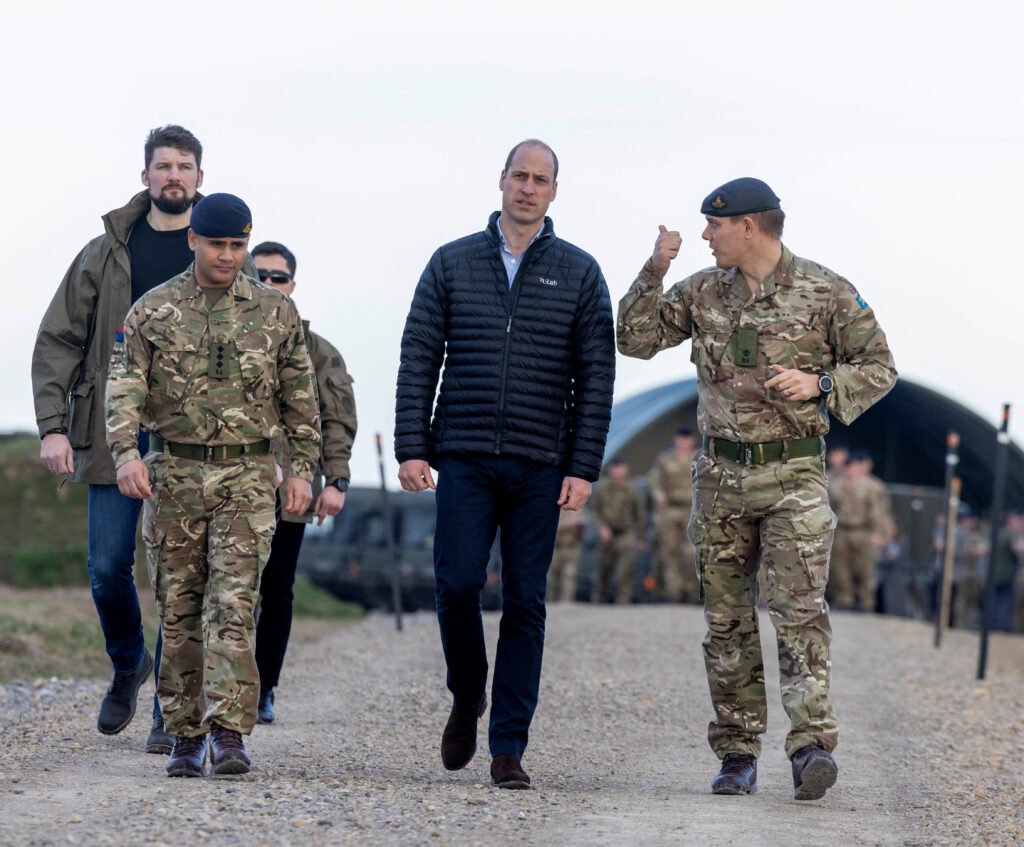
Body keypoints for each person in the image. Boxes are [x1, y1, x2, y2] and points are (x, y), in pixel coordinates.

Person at [617, 177, 896, 800]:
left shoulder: (827, 291)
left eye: (715, 226)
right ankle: (737, 752)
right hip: (719, 479)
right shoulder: (700, 291)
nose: (705, 236)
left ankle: (810, 749)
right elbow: (633, 340)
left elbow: (879, 367)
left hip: (794, 475)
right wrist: (653, 269)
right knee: (726, 622)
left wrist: (821, 384)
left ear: (751, 227)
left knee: (799, 614)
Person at [394, 139, 615, 789]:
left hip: (541, 464)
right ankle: (468, 694)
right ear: (501, 180)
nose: (527, 187)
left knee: (525, 598)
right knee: (458, 584)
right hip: (462, 452)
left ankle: (508, 745)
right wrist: (413, 444)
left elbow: (595, 376)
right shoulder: (452, 262)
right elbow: (418, 354)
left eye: (540, 179)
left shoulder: (579, 272)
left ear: (554, 191)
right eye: (519, 175)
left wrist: (583, 466)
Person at [30, 125, 249, 754]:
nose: (173, 176)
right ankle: (130, 663)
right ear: (146, 175)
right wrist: (52, 427)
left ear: (200, 178)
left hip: (191, 438)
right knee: (107, 570)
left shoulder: (215, 251)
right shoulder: (105, 252)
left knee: (181, 579)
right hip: (110, 436)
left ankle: (168, 710)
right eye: (163, 166)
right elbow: (58, 340)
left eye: (184, 166)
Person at [105, 194, 320, 777]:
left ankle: (228, 732)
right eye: (218, 244)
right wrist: (127, 454)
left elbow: (300, 399)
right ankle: (183, 733)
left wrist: (301, 469)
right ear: (194, 240)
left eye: (238, 245)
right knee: (179, 608)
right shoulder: (153, 310)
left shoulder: (277, 312)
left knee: (233, 603)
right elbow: (123, 387)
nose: (228, 256)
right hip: (174, 474)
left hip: (248, 477)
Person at [250, 241, 358, 724]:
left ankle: (263, 688)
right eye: (262, 275)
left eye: (279, 277)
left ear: (292, 284)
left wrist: (335, 481)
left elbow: (338, 421)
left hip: (291, 488)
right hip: (231, 482)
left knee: (276, 589)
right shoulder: (227, 336)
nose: (270, 284)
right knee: (220, 590)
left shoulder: (318, 352)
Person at [829, 450, 892, 611]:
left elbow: (878, 512)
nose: (851, 470)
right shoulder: (836, 485)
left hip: (864, 531)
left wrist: (880, 534)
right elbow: (830, 507)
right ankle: (845, 599)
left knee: (865, 568)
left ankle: (866, 601)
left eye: (854, 466)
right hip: (842, 530)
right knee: (841, 567)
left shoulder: (871, 486)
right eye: (848, 466)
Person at [648, 427, 699, 602]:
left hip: (692, 510)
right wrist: (658, 495)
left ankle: (691, 591)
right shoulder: (665, 459)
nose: (684, 442)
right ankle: (674, 593)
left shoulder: (699, 458)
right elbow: (653, 481)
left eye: (687, 439)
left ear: (692, 440)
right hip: (670, 510)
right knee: (669, 551)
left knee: (692, 552)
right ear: (676, 440)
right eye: (681, 438)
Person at [591, 457, 645, 604]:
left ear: (626, 470)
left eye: (621, 468)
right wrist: (602, 527)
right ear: (611, 470)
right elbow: (595, 511)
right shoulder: (602, 488)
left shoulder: (632, 489)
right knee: (604, 569)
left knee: (626, 569)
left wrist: (641, 537)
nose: (618, 471)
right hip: (607, 533)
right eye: (615, 468)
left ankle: (623, 601)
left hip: (625, 533)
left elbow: (638, 514)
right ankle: (599, 600)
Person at [547, 507, 586, 603]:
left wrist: (580, 527)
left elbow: (583, 531)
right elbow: (549, 528)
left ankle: (567, 603)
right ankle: (552, 603)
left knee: (570, 576)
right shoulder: (554, 506)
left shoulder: (578, 507)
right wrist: (566, 524)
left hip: (572, 547)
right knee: (554, 578)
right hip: (556, 547)